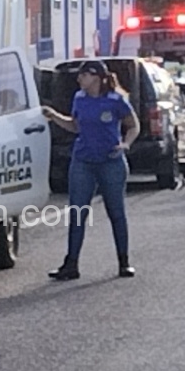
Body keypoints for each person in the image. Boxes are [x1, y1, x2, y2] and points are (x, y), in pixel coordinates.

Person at [40, 60, 139, 280]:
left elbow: (133, 125)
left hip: (110, 161)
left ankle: (124, 262)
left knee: (116, 212)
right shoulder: (79, 98)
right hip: (83, 160)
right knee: (77, 212)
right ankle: (71, 264)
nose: (79, 79)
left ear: (96, 77)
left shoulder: (115, 100)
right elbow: (76, 125)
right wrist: (54, 116)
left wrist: (126, 143)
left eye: (83, 75)